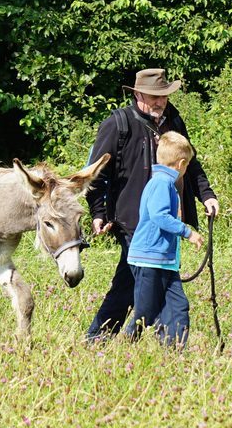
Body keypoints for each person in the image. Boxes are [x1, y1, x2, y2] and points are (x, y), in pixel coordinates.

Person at [83, 67, 219, 343]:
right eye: (153, 96)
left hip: (168, 219)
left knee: (136, 282)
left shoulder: (173, 120)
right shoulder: (118, 124)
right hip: (131, 220)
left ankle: (104, 340)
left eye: (164, 96)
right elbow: (95, 173)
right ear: (137, 94)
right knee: (148, 283)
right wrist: (98, 211)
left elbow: (190, 162)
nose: (159, 102)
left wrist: (206, 195)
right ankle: (162, 342)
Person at [124, 132, 203, 345]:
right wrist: (188, 232)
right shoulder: (161, 183)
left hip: (164, 262)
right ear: (181, 163)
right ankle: (126, 342)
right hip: (150, 259)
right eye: (186, 167)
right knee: (146, 312)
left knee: (178, 306)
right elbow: (159, 216)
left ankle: (174, 349)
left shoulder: (162, 182)